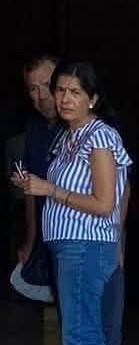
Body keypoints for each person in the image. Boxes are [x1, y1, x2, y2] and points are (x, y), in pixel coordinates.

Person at [11, 60, 132, 345]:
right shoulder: (69, 137)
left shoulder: (99, 137)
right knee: (90, 340)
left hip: (85, 248)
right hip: (71, 247)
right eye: (60, 89)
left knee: (80, 341)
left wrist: (50, 190)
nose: (63, 98)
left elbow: (104, 202)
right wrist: (34, 187)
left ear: (92, 99)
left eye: (75, 92)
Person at [17, 53, 58, 270]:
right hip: (47, 241)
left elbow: (120, 188)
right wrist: (30, 240)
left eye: (47, 84)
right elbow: (30, 190)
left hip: (86, 243)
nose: (42, 95)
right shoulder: (34, 129)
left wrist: (117, 242)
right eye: (33, 89)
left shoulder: (84, 127)